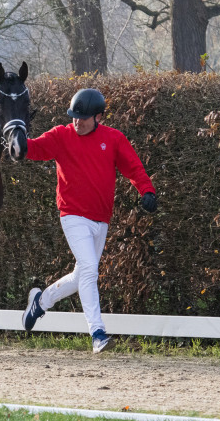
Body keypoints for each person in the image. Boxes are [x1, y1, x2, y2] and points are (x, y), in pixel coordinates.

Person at [22, 88, 157, 354]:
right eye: (74, 116)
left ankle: (40, 301)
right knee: (89, 269)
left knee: (80, 274)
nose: (77, 122)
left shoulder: (114, 139)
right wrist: (18, 141)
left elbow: (133, 167)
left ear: (99, 117)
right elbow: (34, 149)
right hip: (72, 214)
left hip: (100, 218)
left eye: (83, 118)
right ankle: (97, 333)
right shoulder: (61, 135)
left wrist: (147, 190)